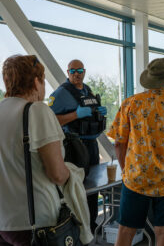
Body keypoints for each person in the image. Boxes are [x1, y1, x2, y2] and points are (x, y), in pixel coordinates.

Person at [107, 57, 164, 246]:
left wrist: (126, 170)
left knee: (126, 230)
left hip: (136, 179)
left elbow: (118, 143)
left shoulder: (130, 104)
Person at [0, 55, 70, 246]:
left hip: (4, 221)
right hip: (36, 221)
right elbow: (57, 175)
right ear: (36, 81)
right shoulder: (37, 111)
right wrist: (71, 174)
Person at [48, 59, 107, 233]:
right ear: (68, 73)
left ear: (84, 71)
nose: (77, 74)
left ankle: (92, 223)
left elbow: (91, 115)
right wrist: (75, 114)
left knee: (93, 186)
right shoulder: (60, 94)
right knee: (77, 187)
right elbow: (50, 120)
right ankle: (76, 227)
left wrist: (99, 112)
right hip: (74, 147)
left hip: (92, 144)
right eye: (73, 71)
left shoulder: (87, 90)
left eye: (80, 70)